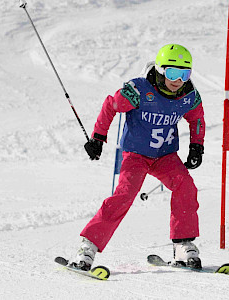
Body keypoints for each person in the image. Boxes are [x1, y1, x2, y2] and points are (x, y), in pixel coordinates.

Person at [71, 44, 206, 271]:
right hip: (136, 155)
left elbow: (197, 119)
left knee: (186, 187)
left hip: (165, 156)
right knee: (124, 195)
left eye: (185, 74)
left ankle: (183, 245)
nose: (178, 80)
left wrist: (196, 147)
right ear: (161, 70)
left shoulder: (188, 95)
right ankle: (88, 248)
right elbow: (111, 105)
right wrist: (97, 138)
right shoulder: (139, 90)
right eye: (173, 73)